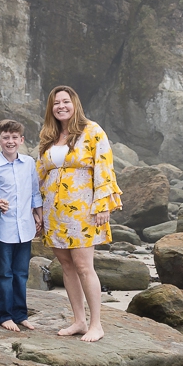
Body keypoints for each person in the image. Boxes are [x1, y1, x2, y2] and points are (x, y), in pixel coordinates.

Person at [37, 86, 122, 342]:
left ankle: (97, 324)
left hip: (82, 209)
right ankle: (79, 320)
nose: (61, 106)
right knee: (66, 265)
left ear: (75, 104)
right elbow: (40, 174)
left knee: (84, 266)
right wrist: (37, 209)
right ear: (51, 108)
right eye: (56, 103)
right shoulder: (49, 136)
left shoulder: (92, 131)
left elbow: (104, 168)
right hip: (54, 209)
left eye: (66, 101)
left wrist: (103, 205)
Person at [0, 119, 41, 332]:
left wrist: (39, 214)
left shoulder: (28, 164)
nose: (10, 141)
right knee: (4, 273)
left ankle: (20, 314)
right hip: (3, 228)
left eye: (14, 137)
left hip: (25, 228)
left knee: (21, 273)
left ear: (22, 140)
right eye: (5, 138)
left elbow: (35, 192)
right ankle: (4, 316)